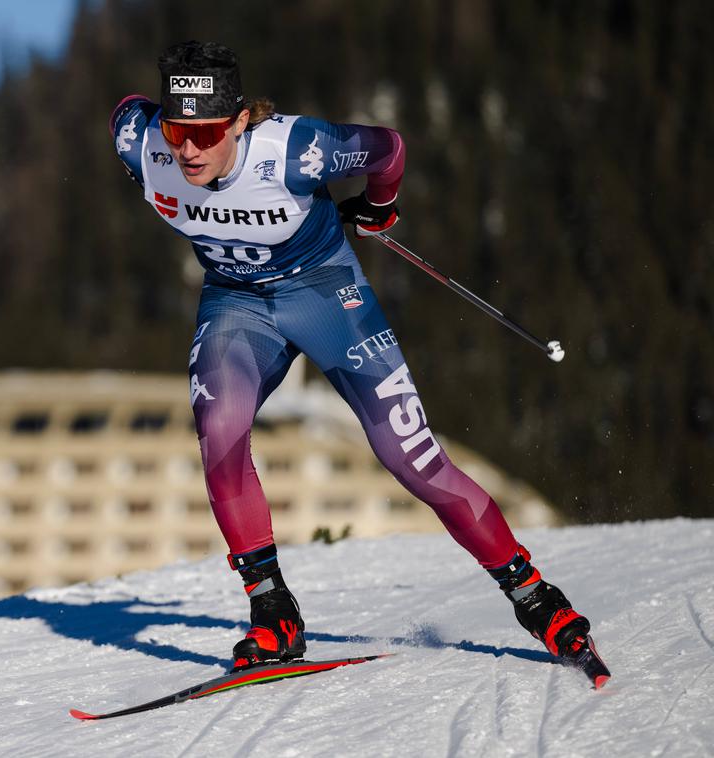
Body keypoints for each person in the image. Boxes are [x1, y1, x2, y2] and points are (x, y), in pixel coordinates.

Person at [109, 40, 606, 676]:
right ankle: (273, 613)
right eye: (178, 130)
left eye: (206, 132)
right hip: (236, 302)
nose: (188, 150)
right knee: (219, 434)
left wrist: (376, 207)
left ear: (238, 121)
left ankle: (536, 598)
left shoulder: (294, 150)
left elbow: (389, 148)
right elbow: (127, 110)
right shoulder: (137, 138)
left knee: (412, 459)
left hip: (325, 295)